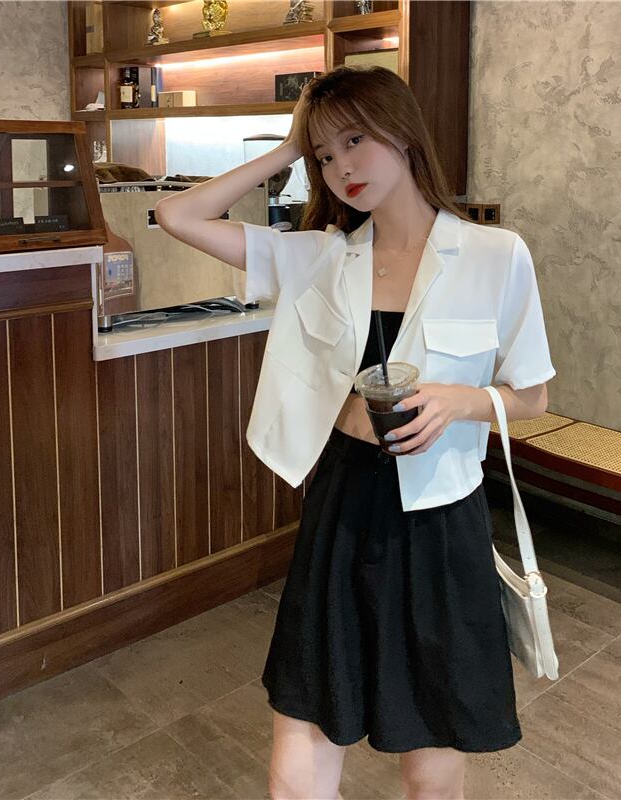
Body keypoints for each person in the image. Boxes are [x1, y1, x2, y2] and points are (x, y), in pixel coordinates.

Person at [156, 65, 555, 800]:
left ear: (402, 132)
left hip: (441, 521)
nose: (341, 167)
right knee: (297, 763)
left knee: (431, 770)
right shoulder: (320, 257)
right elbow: (176, 216)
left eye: (354, 141)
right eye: (325, 154)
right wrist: (289, 145)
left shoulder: (497, 255)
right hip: (341, 508)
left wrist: (460, 402)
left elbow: (531, 396)